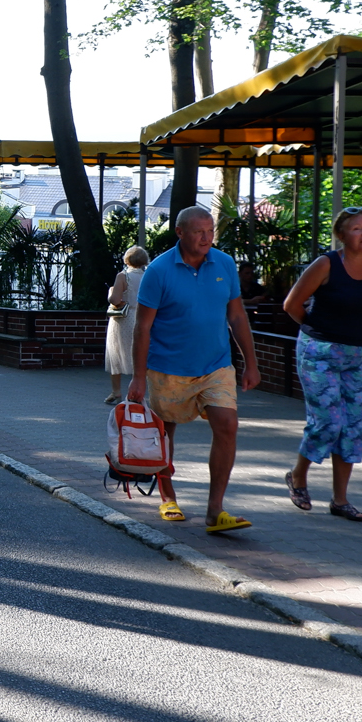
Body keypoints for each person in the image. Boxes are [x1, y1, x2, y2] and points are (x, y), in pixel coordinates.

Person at [129, 206, 262, 534]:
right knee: (165, 433)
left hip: (215, 366)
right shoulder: (159, 271)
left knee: (227, 425)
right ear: (180, 233)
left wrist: (251, 362)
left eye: (210, 230)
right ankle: (168, 496)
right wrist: (138, 376)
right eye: (198, 231)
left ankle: (215, 510)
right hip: (168, 367)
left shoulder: (225, 264)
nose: (206, 237)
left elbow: (236, 316)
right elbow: (142, 327)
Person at [281, 207, 362, 523]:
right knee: (328, 421)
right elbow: (292, 305)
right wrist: (320, 332)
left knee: (354, 427)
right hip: (320, 352)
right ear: (341, 234)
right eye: (356, 228)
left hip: (361, 354)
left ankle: (340, 499)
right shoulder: (326, 264)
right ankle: (298, 475)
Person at [104, 246, 150, 404]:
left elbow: (115, 300)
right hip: (143, 316)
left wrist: (111, 293)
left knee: (116, 352)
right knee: (139, 353)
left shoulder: (123, 276)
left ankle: (116, 391)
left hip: (124, 317)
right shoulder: (147, 276)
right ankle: (139, 392)